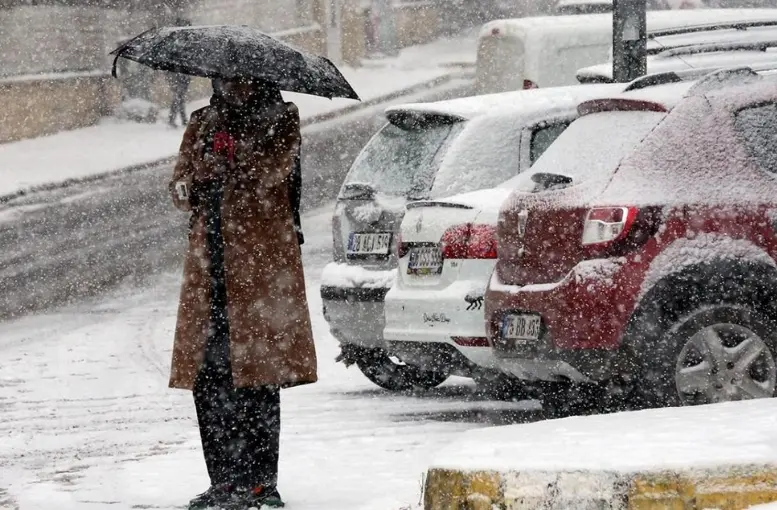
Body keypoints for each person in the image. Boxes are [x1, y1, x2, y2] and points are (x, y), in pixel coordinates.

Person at [168, 76, 318, 510]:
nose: (233, 88)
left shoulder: (280, 120)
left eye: (241, 81)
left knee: (256, 378)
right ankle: (222, 482)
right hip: (209, 269)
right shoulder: (202, 122)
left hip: (259, 269)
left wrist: (233, 161)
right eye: (225, 80)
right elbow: (179, 188)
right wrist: (197, 177)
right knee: (209, 379)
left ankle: (258, 483)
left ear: (259, 81)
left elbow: (274, 173)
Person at [166, 19, 192, 128]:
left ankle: (179, 119)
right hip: (177, 73)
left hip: (182, 74)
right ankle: (178, 119)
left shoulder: (185, 40)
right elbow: (172, 54)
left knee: (179, 97)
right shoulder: (176, 39)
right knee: (178, 96)